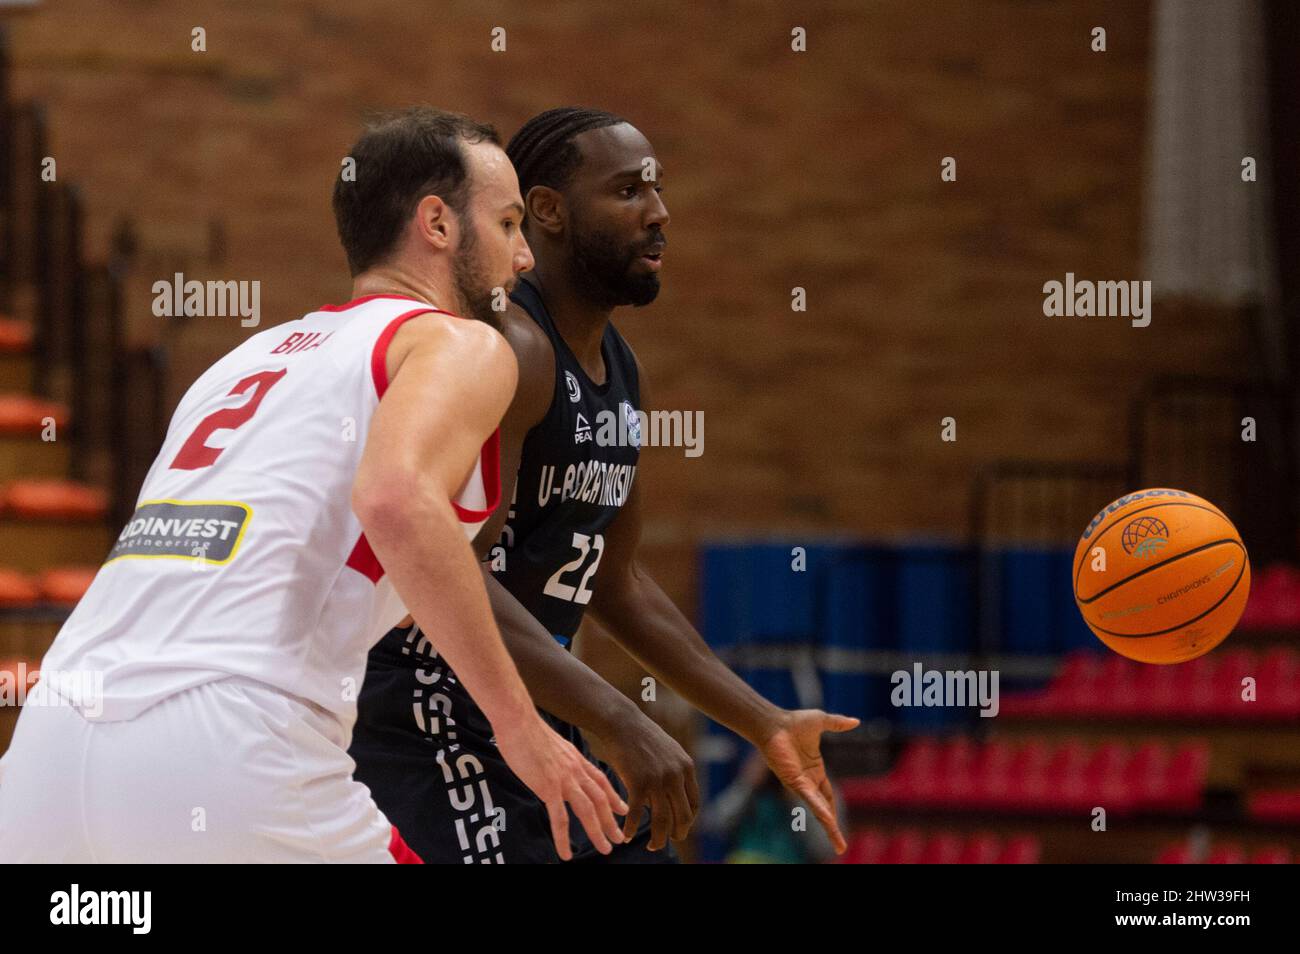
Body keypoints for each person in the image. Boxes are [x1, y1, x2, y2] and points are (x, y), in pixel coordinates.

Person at [0, 107, 624, 863]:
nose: (524, 257)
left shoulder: (237, 363)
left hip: (49, 743)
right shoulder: (459, 345)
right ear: (437, 224)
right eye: (507, 223)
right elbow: (396, 501)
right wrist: (522, 730)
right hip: (228, 740)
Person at [349, 108, 856, 864]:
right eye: (628, 192)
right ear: (547, 211)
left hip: (527, 710)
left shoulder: (620, 367)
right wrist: (622, 718)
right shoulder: (509, 352)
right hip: (430, 710)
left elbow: (616, 583)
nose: (659, 214)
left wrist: (763, 720)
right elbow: (444, 569)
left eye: (656, 191)